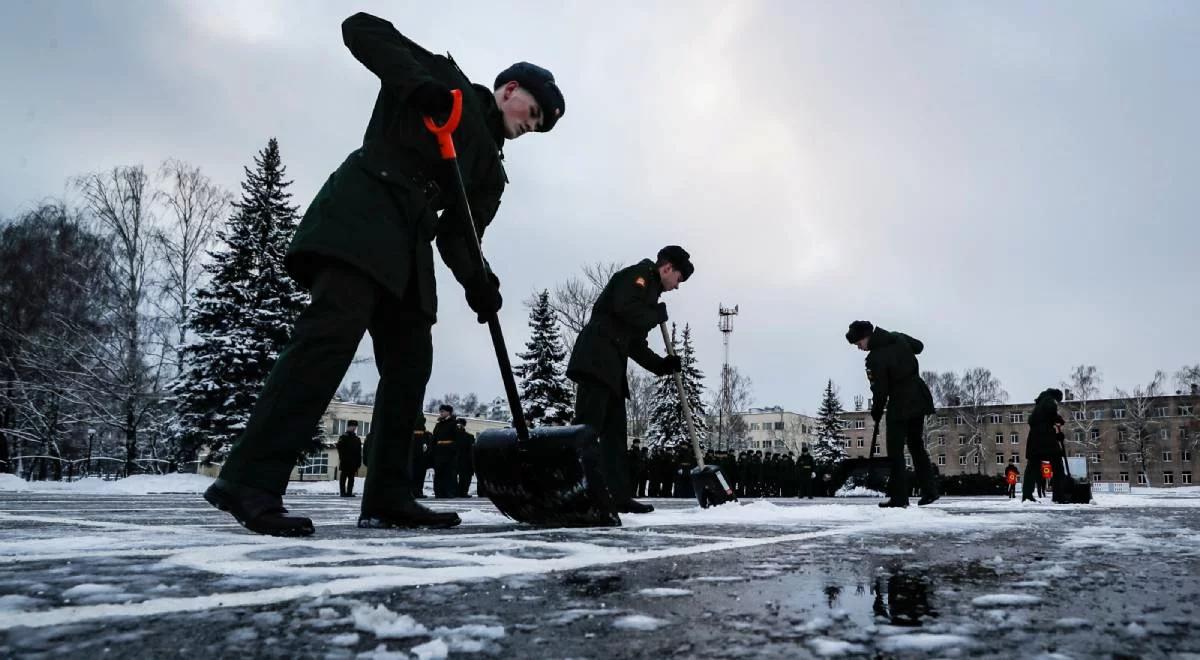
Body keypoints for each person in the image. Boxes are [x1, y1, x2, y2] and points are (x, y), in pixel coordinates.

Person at [202, 10, 567, 536]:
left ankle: (389, 495)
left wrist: (480, 283)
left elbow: (460, 237)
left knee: (411, 364)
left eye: (537, 126)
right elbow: (360, 28)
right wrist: (419, 87)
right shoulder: (450, 83)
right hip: (366, 212)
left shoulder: (492, 173)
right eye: (531, 111)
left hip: (410, 247)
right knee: (327, 340)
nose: (529, 125)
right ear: (509, 89)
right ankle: (249, 480)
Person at [566, 246, 693, 515]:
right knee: (587, 429)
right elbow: (624, 308)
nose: (677, 287)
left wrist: (662, 365)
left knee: (614, 436)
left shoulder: (649, 293)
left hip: (612, 367)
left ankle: (618, 496)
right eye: (679, 279)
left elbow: (635, 344)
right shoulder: (638, 277)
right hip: (597, 359)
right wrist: (655, 315)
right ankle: (571, 489)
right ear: (667, 268)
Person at [846, 321, 938, 508]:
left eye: (858, 343)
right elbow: (919, 347)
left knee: (895, 451)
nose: (859, 348)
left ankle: (899, 498)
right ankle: (930, 491)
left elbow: (880, 391)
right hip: (919, 396)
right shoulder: (897, 337)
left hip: (900, 403)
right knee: (916, 445)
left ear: (866, 337)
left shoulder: (875, 359)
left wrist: (877, 411)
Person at [1021, 388, 1062, 502]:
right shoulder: (1049, 401)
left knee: (1031, 468)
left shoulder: (1038, 405)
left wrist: (1055, 421)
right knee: (1058, 465)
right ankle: (1059, 495)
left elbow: (1042, 419)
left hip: (1034, 441)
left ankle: (1027, 495)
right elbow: (1051, 413)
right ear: (1056, 397)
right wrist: (1058, 419)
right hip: (1046, 441)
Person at [431, 405, 459, 498]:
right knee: (439, 473)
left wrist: (452, 449)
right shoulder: (438, 424)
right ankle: (439, 493)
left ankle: (449, 492)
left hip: (449, 452)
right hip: (439, 452)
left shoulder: (454, 423)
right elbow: (434, 438)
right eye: (440, 411)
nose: (441, 413)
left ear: (449, 412)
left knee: (449, 473)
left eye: (443, 411)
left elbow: (458, 439)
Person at [336, 420, 363, 497]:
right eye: (353, 426)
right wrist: (343, 458)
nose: (354, 428)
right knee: (343, 478)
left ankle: (349, 492)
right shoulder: (343, 437)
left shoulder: (357, 439)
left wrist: (358, 463)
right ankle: (343, 492)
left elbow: (358, 452)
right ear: (349, 427)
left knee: (351, 478)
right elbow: (339, 448)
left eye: (355, 427)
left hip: (353, 462)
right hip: (345, 461)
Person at [454, 417, 475, 497]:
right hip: (456, 459)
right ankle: (457, 492)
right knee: (453, 477)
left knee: (465, 478)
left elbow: (471, 450)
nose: (458, 426)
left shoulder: (469, 437)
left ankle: (463, 492)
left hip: (465, 460)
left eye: (460, 425)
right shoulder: (453, 436)